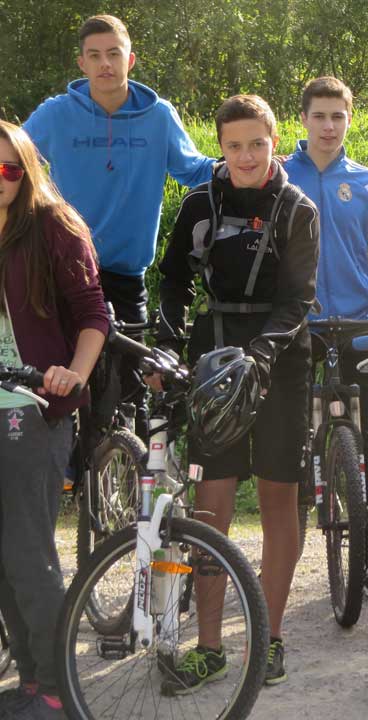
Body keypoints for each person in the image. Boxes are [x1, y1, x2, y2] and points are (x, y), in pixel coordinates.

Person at [153, 94, 319, 690]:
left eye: (257, 144)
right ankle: (209, 647)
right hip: (215, 357)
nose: (247, 156)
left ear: (274, 142)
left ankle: (268, 639)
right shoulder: (200, 202)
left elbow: (298, 299)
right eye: (234, 146)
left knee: (278, 497)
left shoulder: (297, 208)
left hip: (280, 361)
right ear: (219, 148)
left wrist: (263, 356)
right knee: (211, 502)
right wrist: (169, 344)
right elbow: (173, 280)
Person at [24, 14, 214, 441]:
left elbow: (193, 169)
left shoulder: (158, 116)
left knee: (130, 390)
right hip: (63, 273)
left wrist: (244, 166)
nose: (105, 64)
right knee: (59, 384)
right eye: (94, 56)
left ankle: (128, 467)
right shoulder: (56, 114)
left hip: (127, 275)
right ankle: (69, 463)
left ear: (130, 60)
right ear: (82, 63)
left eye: (113, 54)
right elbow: (14, 160)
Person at [0, 121, 109, 720]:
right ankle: (29, 677)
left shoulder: (54, 226)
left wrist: (74, 374)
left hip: (32, 406)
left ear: (27, 171)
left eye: (9, 170)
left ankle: (55, 685)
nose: (0, 180)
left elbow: (94, 315)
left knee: (26, 551)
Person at [284, 76, 368, 598]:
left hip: (356, 325)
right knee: (289, 435)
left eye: (338, 116)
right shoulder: (279, 175)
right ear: (303, 119)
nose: (329, 126)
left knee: (364, 438)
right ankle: (284, 550)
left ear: (350, 120)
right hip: (295, 326)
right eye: (320, 116)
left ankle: (366, 553)